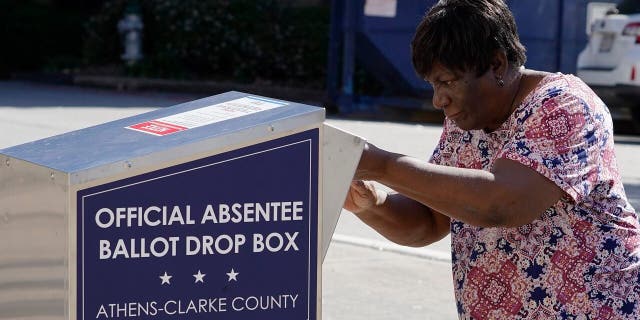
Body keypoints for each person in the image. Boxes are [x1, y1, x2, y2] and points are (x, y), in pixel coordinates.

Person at [343, 0, 640, 319]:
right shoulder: (466, 122)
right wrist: (373, 204)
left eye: (446, 82)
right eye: (432, 84)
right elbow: (430, 220)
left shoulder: (565, 107)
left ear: (497, 64)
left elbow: (502, 203)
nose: (437, 99)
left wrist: (381, 164)